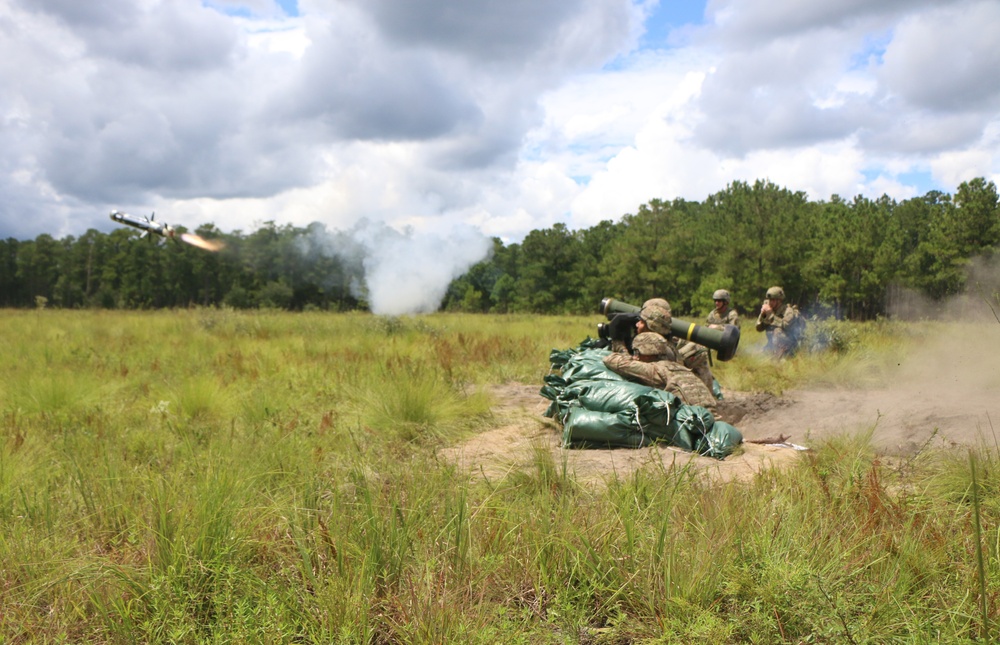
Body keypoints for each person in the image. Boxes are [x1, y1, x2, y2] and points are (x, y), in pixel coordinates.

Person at [602, 332, 718, 413]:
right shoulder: (679, 367)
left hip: (696, 421)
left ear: (646, 352)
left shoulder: (655, 370)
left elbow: (610, 360)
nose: (636, 356)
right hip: (712, 416)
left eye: (637, 352)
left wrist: (626, 353)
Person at [755, 286, 804, 358]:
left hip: (789, 344)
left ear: (779, 300)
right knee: (757, 356)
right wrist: (763, 315)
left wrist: (771, 315)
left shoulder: (788, 311)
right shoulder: (769, 310)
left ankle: (781, 357)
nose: (770, 302)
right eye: (769, 300)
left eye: (772, 300)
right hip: (772, 344)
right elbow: (759, 328)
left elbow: (786, 325)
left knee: (777, 331)